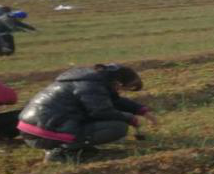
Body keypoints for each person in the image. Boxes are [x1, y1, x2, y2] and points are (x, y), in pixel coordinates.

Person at [17, 63, 156, 163]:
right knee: (118, 127)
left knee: (110, 123)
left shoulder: (90, 82)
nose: (121, 92)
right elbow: (101, 112)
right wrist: (130, 118)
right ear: (118, 84)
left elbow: (114, 101)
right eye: (125, 89)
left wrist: (142, 111)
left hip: (34, 128)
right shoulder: (92, 86)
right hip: (43, 132)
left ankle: (77, 148)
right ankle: (61, 153)